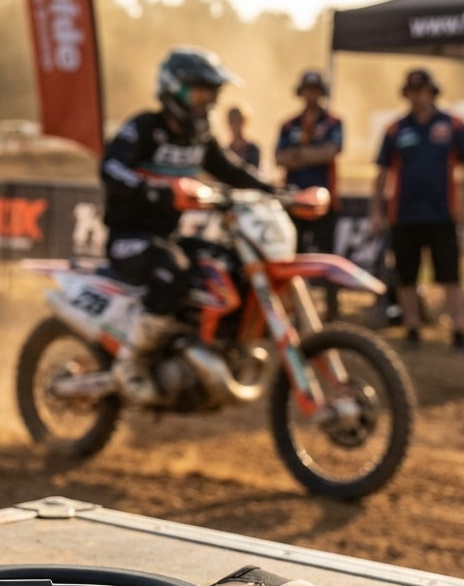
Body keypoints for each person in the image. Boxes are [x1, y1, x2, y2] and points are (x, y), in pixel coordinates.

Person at [101, 47, 274, 404]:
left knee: (223, 265)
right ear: (173, 89)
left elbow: (231, 171)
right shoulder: (144, 127)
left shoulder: (199, 138)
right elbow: (110, 169)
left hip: (169, 236)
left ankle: (196, 350)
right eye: (199, 93)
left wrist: (276, 191)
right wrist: (154, 192)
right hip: (128, 238)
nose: (206, 103)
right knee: (173, 273)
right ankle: (130, 364)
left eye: (211, 95)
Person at [370, 68, 464, 353]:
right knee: (407, 276)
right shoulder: (395, 128)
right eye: (413, 91)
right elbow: (381, 174)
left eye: (423, 91)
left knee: (452, 276)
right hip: (404, 215)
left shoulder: (453, 124)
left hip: (442, 215)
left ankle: (458, 331)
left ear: (433, 92)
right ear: (407, 94)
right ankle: (412, 328)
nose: (418, 96)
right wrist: (377, 212)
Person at [275, 69, 343, 318]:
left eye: (315, 89)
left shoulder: (334, 122)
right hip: (294, 202)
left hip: (325, 204)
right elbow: (279, 158)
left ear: (321, 92)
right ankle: (294, 313)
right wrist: (312, 154)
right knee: (292, 260)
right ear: (301, 91)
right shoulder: (288, 124)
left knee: (327, 260)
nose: (311, 94)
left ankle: (332, 312)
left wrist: (299, 154)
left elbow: (331, 152)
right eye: (307, 89)